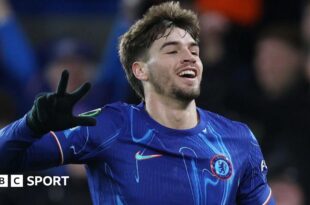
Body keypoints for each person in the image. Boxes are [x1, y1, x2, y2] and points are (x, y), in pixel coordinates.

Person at [0, 2, 275, 205]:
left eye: (194, 50)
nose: (190, 57)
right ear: (140, 70)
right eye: (172, 50)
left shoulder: (239, 138)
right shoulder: (107, 126)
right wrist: (30, 125)